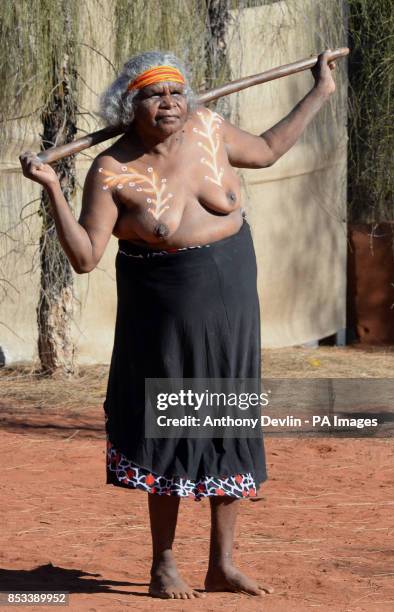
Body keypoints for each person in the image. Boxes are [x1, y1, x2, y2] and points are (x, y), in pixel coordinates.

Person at [20, 49, 336, 600]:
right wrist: (52, 189)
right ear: (129, 105)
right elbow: (86, 256)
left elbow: (264, 151)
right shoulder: (113, 170)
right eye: (153, 94)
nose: (169, 103)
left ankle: (223, 563)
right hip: (163, 318)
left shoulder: (209, 128)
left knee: (229, 423)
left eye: (175, 92)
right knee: (170, 426)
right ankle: (163, 563)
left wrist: (320, 92)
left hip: (233, 306)